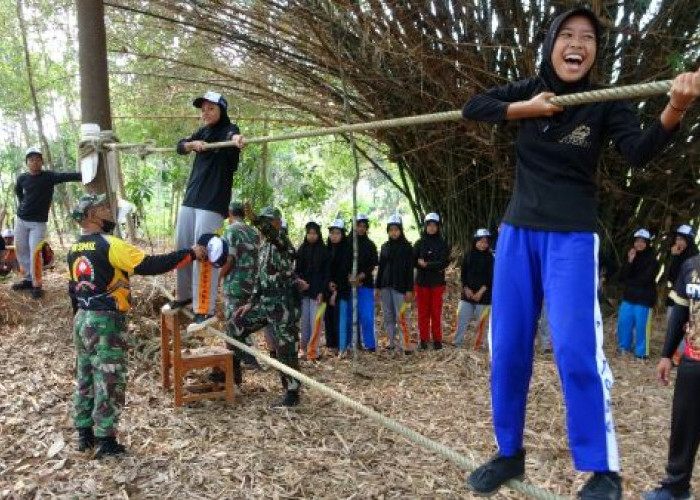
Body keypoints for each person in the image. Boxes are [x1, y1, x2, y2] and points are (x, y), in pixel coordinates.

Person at [462, 6, 700, 498]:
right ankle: (509, 454)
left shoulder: (605, 103)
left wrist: (675, 108)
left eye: (587, 37)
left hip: (571, 234)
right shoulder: (529, 86)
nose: (576, 43)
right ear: (550, 43)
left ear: (596, 51)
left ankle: (603, 470)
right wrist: (525, 109)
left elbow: (638, 152)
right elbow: (473, 106)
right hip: (516, 233)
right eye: (566, 35)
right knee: (507, 349)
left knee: (575, 351)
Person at [67, 194, 205, 458]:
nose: (109, 212)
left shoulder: (74, 249)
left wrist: (82, 320)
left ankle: (84, 433)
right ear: (92, 215)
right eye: (104, 208)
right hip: (105, 321)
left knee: (85, 375)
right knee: (109, 378)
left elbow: (72, 289)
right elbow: (150, 265)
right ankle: (105, 441)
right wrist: (190, 254)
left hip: (83, 319)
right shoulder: (110, 245)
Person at [167, 91, 245, 333]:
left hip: (212, 202)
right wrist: (191, 145)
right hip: (191, 198)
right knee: (183, 247)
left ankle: (205, 309)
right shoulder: (201, 133)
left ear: (221, 109)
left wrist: (238, 139)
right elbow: (180, 145)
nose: (206, 113)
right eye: (203, 109)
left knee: (205, 252)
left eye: (211, 108)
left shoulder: (228, 129)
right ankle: (184, 295)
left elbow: (235, 136)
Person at [233, 206, 303, 407]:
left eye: (268, 221)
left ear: (277, 223)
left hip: (283, 305)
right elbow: (259, 278)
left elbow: (272, 235)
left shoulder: (283, 242)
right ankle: (234, 374)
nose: (264, 225)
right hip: (265, 303)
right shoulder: (263, 247)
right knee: (237, 324)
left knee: (286, 349)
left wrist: (255, 220)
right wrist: (251, 303)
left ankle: (292, 392)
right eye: (262, 221)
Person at [643, 254, 700, 500]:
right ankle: (676, 487)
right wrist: (666, 355)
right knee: (684, 426)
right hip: (694, 359)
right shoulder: (692, 266)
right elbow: (680, 313)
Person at [13, 147, 82, 298]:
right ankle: (27, 279)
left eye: (38, 159)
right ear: (27, 163)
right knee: (21, 251)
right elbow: (18, 191)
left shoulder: (48, 177)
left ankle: (37, 285)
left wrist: (85, 175)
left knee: (35, 252)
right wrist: (23, 204)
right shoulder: (22, 178)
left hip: (38, 223)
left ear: (42, 162)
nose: (35, 162)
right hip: (21, 220)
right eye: (31, 160)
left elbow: (66, 176)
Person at [215, 201, 261, 380]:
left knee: (231, 326)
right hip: (251, 285)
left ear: (229, 214)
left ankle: (236, 369)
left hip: (235, 284)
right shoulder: (253, 232)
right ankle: (242, 365)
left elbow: (230, 259)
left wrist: (218, 277)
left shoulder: (232, 231)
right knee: (241, 323)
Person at [617, 229, 660, 359]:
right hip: (629, 297)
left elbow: (646, 279)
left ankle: (641, 352)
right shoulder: (631, 256)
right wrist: (630, 261)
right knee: (624, 323)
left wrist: (629, 281)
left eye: (642, 242)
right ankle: (624, 347)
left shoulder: (653, 260)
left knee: (642, 326)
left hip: (644, 298)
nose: (639, 244)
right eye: (637, 241)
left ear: (647, 244)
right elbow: (622, 276)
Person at [376, 215, 414, 353]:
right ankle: (390, 342)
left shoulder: (407, 247)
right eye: (391, 230)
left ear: (401, 230)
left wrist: (410, 289)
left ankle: (405, 344)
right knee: (388, 315)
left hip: (401, 287)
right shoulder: (384, 247)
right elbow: (380, 268)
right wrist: (377, 287)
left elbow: (410, 270)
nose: (393, 232)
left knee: (403, 315)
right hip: (386, 286)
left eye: (396, 229)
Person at [413, 213, 449, 350]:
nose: (432, 228)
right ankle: (423, 339)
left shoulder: (442, 244)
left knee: (436, 312)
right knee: (423, 312)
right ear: (425, 226)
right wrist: (427, 264)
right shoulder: (419, 243)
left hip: (437, 283)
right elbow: (414, 260)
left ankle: (437, 340)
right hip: (421, 283)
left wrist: (427, 265)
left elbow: (443, 263)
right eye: (429, 225)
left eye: (435, 225)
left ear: (438, 227)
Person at [454, 228, 494, 350]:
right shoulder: (468, 255)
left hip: (484, 296)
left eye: (485, 242)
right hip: (467, 295)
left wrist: (481, 292)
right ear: (475, 241)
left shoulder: (490, 259)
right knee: (462, 319)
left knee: (482, 324)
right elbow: (463, 274)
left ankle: (479, 346)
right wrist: (466, 288)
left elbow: (490, 278)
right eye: (480, 241)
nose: (483, 245)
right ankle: (458, 343)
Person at [296, 221, 329, 359]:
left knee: (316, 323)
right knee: (305, 323)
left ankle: (313, 351)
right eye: (309, 233)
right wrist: (300, 282)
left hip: (319, 294)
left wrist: (322, 292)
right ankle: (303, 349)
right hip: (304, 293)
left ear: (319, 234)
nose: (311, 236)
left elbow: (327, 274)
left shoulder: (324, 251)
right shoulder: (302, 249)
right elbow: (297, 270)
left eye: (314, 233)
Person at [350, 213, 379, 351]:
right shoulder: (347, 243)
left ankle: (370, 344)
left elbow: (372, 264)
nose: (361, 229)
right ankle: (353, 343)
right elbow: (341, 263)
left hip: (365, 284)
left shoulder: (370, 245)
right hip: (348, 285)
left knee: (367, 316)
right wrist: (350, 277)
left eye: (363, 226)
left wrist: (361, 276)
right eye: (358, 226)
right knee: (350, 316)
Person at [325, 219, 353, 356]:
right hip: (328, 289)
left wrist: (336, 291)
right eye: (332, 233)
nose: (334, 236)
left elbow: (344, 272)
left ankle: (343, 347)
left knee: (341, 319)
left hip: (342, 290)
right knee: (330, 318)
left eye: (337, 233)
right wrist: (328, 283)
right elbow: (324, 269)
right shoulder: (328, 249)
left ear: (342, 234)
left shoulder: (346, 250)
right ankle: (333, 345)